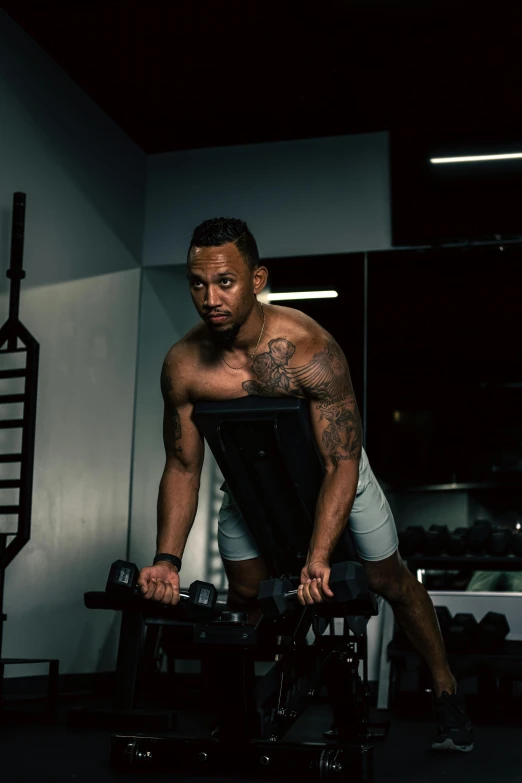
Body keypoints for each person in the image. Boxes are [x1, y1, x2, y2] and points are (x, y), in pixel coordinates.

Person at [137, 217, 473, 752]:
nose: (210, 297)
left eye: (225, 281)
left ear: (257, 279)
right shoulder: (183, 365)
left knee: (388, 582)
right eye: (198, 283)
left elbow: (341, 460)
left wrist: (318, 558)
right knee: (247, 591)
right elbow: (182, 465)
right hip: (251, 483)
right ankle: (255, 702)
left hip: (334, 472)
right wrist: (167, 561)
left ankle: (446, 690)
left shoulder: (309, 348)